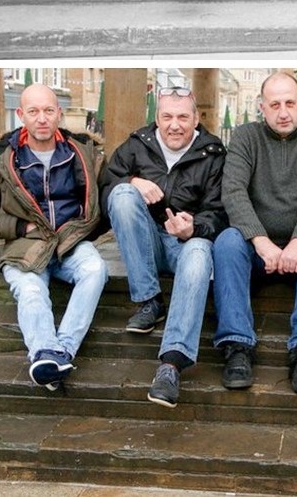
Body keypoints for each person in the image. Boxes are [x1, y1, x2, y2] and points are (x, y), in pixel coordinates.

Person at [0, 84, 108, 390]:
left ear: (59, 113)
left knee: (96, 270)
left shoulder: (84, 153)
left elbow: (106, 201)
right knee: (30, 290)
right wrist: (18, 227)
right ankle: (46, 351)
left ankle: (59, 352)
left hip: (70, 243)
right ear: (21, 115)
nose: (42, 118)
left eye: (48, 110)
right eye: (33, 111)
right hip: (24, 247)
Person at [212, 72, 297, 395]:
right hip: (257, 249)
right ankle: (237, 345)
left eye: (290, 103)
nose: (283, 112)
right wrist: (261, 241)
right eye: (275, 104)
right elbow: (233, 191)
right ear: (261, 107)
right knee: (227, 241)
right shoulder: (245, 136)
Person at [100, 86, 227, 408]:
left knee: (200, 253)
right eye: (167, 117)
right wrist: (131, 182)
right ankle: (149, 301)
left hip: (187, 246)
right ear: (156, 119)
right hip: (148, 245)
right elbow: (104, 191)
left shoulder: (213, 154)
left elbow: (222, 213)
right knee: (123, 195)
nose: (175, 125)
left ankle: (171, 364)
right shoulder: (136, 146)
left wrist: (193, 228)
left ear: (196, 119)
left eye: (183, 117)